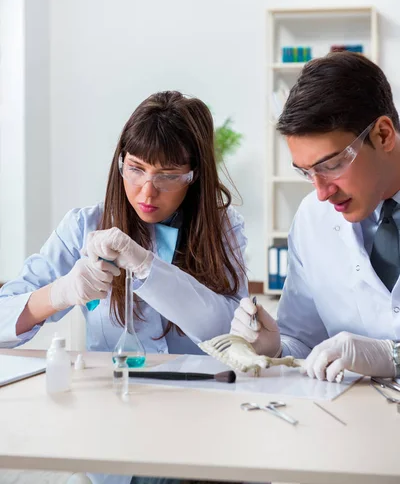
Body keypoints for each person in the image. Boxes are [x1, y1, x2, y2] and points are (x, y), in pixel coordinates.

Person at [0, 90, 248, 484]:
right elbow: (2, 318)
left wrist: (148, 267)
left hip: (203, 421)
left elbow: (228, 332)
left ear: (194, 175)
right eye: (135, 169)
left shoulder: (223, 230)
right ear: (120, 164)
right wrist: (63, 291)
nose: (147, 191)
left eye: (167, 176)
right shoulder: (83, 226)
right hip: (117, 425)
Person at [231, 51, 400, 383]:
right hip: (349, 423)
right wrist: (276, 346)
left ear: (383, 135)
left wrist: (392, 356)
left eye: (332, 165)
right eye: (307, 172)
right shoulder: (313, 218)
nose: (322, 192)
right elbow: (306, 342)